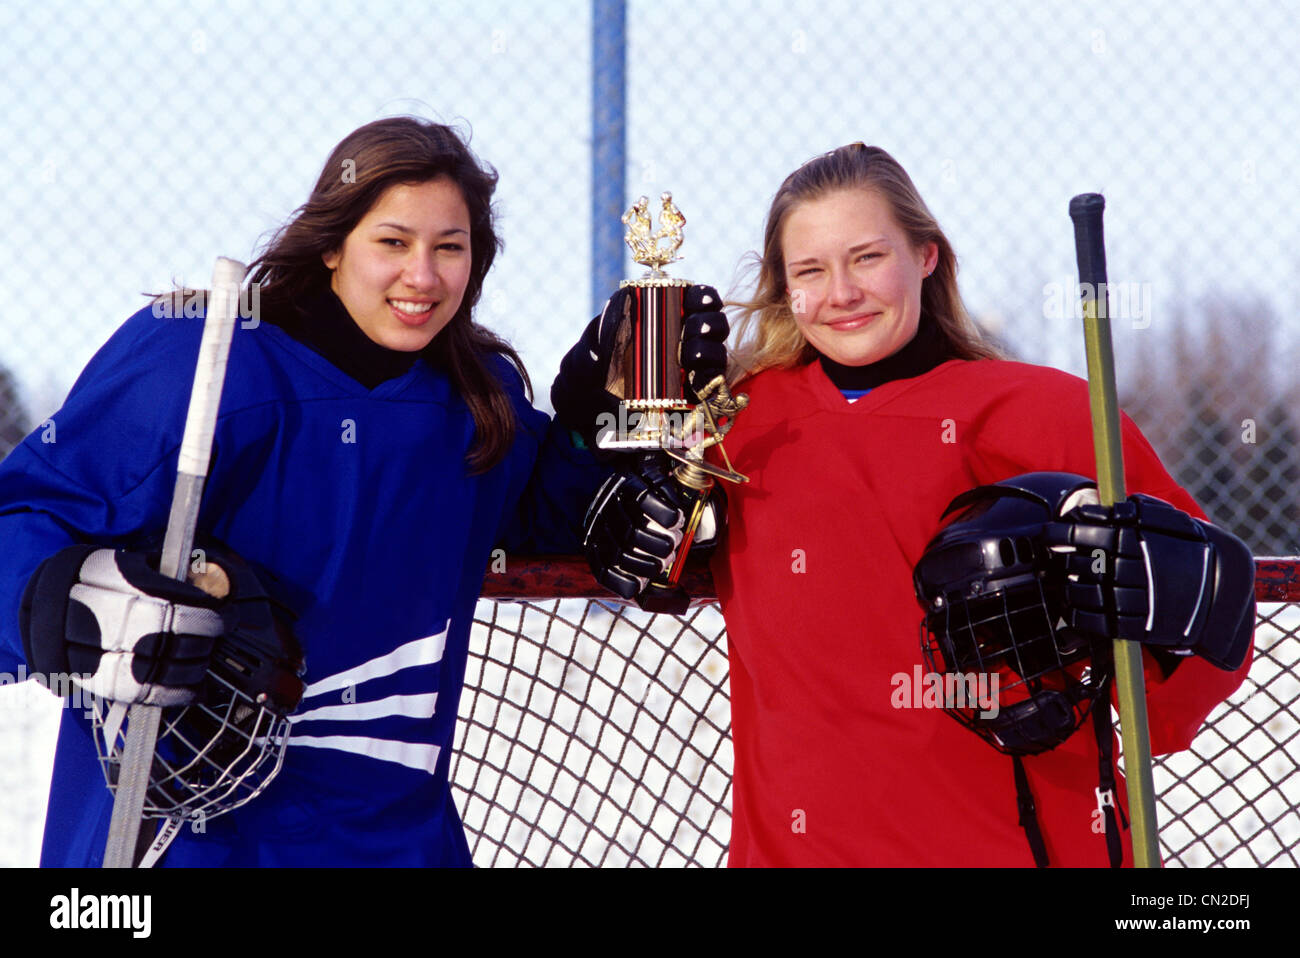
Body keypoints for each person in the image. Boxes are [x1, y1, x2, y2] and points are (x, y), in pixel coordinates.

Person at [0, 116, 724, 867]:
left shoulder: (475, 401)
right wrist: (65, 598)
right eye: (393, 242)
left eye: (451, 247)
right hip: (185, 843)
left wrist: (591, 416)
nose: (423, 276)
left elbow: (542, 517)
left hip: (393, 842)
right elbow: (21, 520)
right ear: (331, 243)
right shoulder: (199, 364)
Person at [581, 143, 1256, 866]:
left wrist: (1168, 603)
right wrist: (605, 384)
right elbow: (575, 472)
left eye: (868, 257)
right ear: (784, 288)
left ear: (927, 256)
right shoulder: (733, 426)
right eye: (810, 270)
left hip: (1023, 845)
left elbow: (1210, 617)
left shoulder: (1051, 414)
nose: (842, 292)